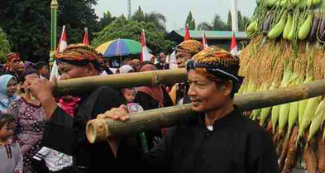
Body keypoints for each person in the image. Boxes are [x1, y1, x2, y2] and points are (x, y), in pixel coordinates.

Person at [101, 46, 279, 173]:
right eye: (190, 83)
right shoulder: (182, 130)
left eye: (199, 84)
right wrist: (118, 137)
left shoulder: (253, 138)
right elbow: (145, 167)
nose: (191, 92)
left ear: (226, 87)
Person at [28, 44, 138, 173]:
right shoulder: (87, 97)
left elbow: (77, 143)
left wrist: (46, 98)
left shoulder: (104, 94)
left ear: (90, 69)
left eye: (66, 70)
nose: (62, 77)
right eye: (60, 72)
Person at [7, 69, 45, 173]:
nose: (34, 84)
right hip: (25, 153)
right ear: (22, 85)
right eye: (30, 81)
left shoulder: (47, 101)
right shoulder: (16, 105)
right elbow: (9, 131)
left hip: (46, 151)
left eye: (37, 80)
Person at [169, 40, 203, 105]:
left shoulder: (207, 81)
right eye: (177, 58)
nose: (178, 61)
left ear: (195, 57)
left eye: (181, 56)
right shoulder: (177, 87)